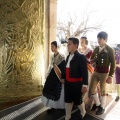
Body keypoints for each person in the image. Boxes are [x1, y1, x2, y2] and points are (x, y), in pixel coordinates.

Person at [89, 31, 115, 115]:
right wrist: (92, 61)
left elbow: (113, 63)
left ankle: (102, 107)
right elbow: (92, 58)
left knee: (103, 90)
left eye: (100, 38)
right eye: (98, 38)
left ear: (105, 39)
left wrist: (110, 76)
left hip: (104, 72)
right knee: (92, 88)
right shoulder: (96, 48)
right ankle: (98, 104)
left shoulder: (109, 49)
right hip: (96, 71)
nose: (98, 40)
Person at [64, 37, 88, 120]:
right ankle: (68, 116)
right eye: (67, 44)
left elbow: (85, 72)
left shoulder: (81, 57)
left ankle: (83, 111)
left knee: (78, 101)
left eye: (69, 44)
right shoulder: (67, 57)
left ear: (76, 45)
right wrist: (63, 78)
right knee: (67, 100)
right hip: (67, 83)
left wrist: (84, 85)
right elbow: (65, 69)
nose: (67, 46)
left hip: (76, 84)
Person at [41, 41, 65, 111]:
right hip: (52, 75)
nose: (51, 48)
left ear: (57, 47)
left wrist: (63, 78)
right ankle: (51, 106)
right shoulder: (52, 56)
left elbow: (63, 68)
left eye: (52, 46)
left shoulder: (61, 56)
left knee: (56, 91)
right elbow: (50, 66)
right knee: (49, 90)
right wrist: (47, 74)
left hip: (58, 76)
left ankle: (56, 106)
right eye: (51, 46)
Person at [78, 36, 94, 107]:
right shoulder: (78, 49)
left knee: (86, 83)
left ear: (86, 42)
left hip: (86, 69)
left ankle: (83, 100)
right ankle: (78, 99)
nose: (81, 43)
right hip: (78, 69)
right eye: (80, 42)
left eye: (82, 42)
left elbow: (91, 61)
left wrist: (84, 61)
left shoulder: (89, 50)